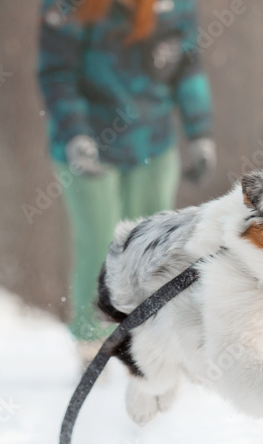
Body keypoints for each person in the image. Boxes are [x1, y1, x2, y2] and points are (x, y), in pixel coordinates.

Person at [38, 0, 216, 355]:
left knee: (151, 245)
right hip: (87, 138)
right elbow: (56, 73)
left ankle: (148, 343)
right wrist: (76, 134)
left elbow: (186, 67)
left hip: (152, 139)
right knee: (99, 244)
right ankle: (91, 345)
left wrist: (200, 133)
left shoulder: (175, 6)